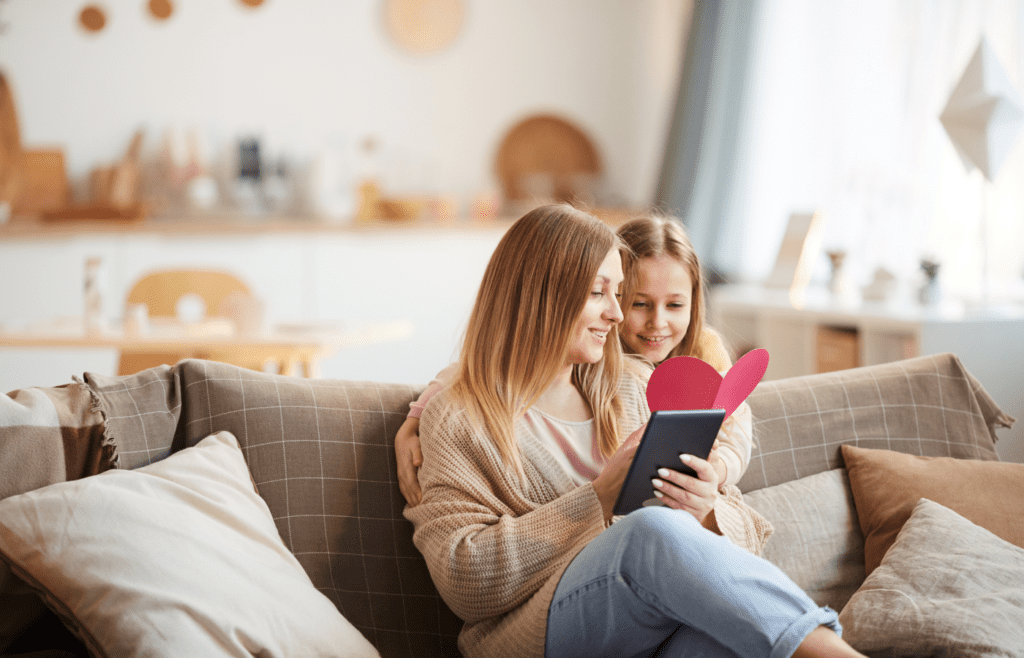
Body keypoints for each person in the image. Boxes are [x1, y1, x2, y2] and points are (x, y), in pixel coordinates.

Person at [403, 204, 864, 658]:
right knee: (648, 532)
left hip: (653, 630)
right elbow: (464, 578)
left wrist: (706, 513)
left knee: (732, 633)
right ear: (544, 295)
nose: (619, 316)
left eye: (618, 294)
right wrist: (598, 498)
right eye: (600, 294)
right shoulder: (459, 416)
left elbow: (747, 545)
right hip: (531, 633)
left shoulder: (635, 386)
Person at [396, 212, 751, 507]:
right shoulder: (594, 361)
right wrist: (419, 413)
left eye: (674, 305)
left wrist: (714, 475)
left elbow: (736, 426)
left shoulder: (701, 352)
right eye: (637, 302)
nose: (656, 322)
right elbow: (484, 366)